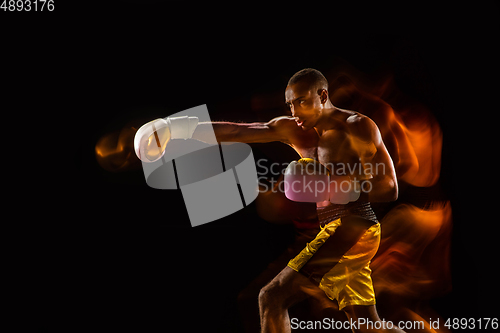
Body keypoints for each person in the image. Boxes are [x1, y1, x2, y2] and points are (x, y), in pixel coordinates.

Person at [138, 68, 404, 332]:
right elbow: (237, 132)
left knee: (272, 297)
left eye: (302, 101)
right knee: (369, 325)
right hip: (334, 228)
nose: (295, 111)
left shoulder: (357, 126)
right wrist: (176, 128)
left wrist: (339, 187)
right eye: (290, 104)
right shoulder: (294, 129)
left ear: (323, 96)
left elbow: (390, 188)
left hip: (354, 227)